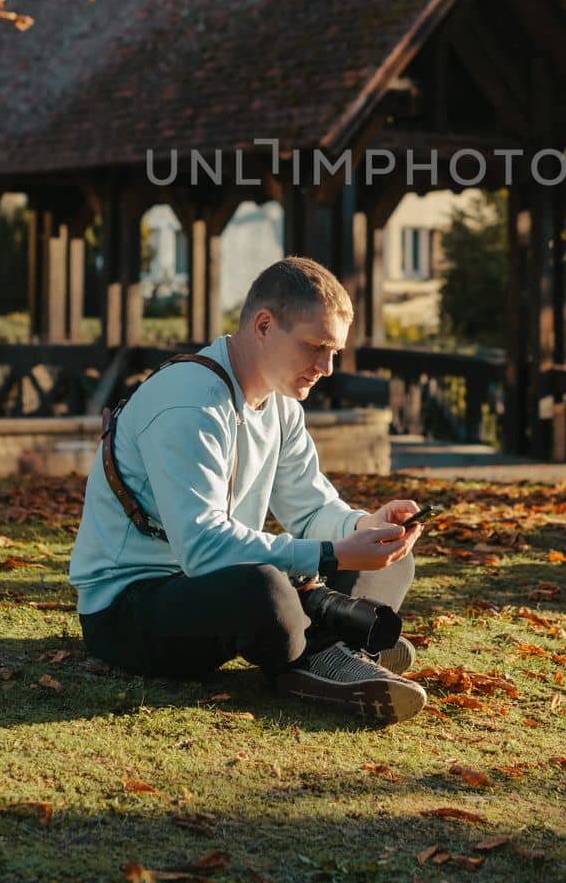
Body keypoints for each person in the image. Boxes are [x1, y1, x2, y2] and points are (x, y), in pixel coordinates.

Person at [70, 256, 427, 724]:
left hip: (209, 584)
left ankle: (325, 647)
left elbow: (311, 505)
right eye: (316, 346)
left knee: (393, 562)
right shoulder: (190, 404)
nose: (327, 366)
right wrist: (330, 555)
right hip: (130, 607)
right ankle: (330, 650)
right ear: (264, 325)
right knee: (262, 590)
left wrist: (365, 527)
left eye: (334, 351)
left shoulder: (281, 407)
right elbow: (202, 547)